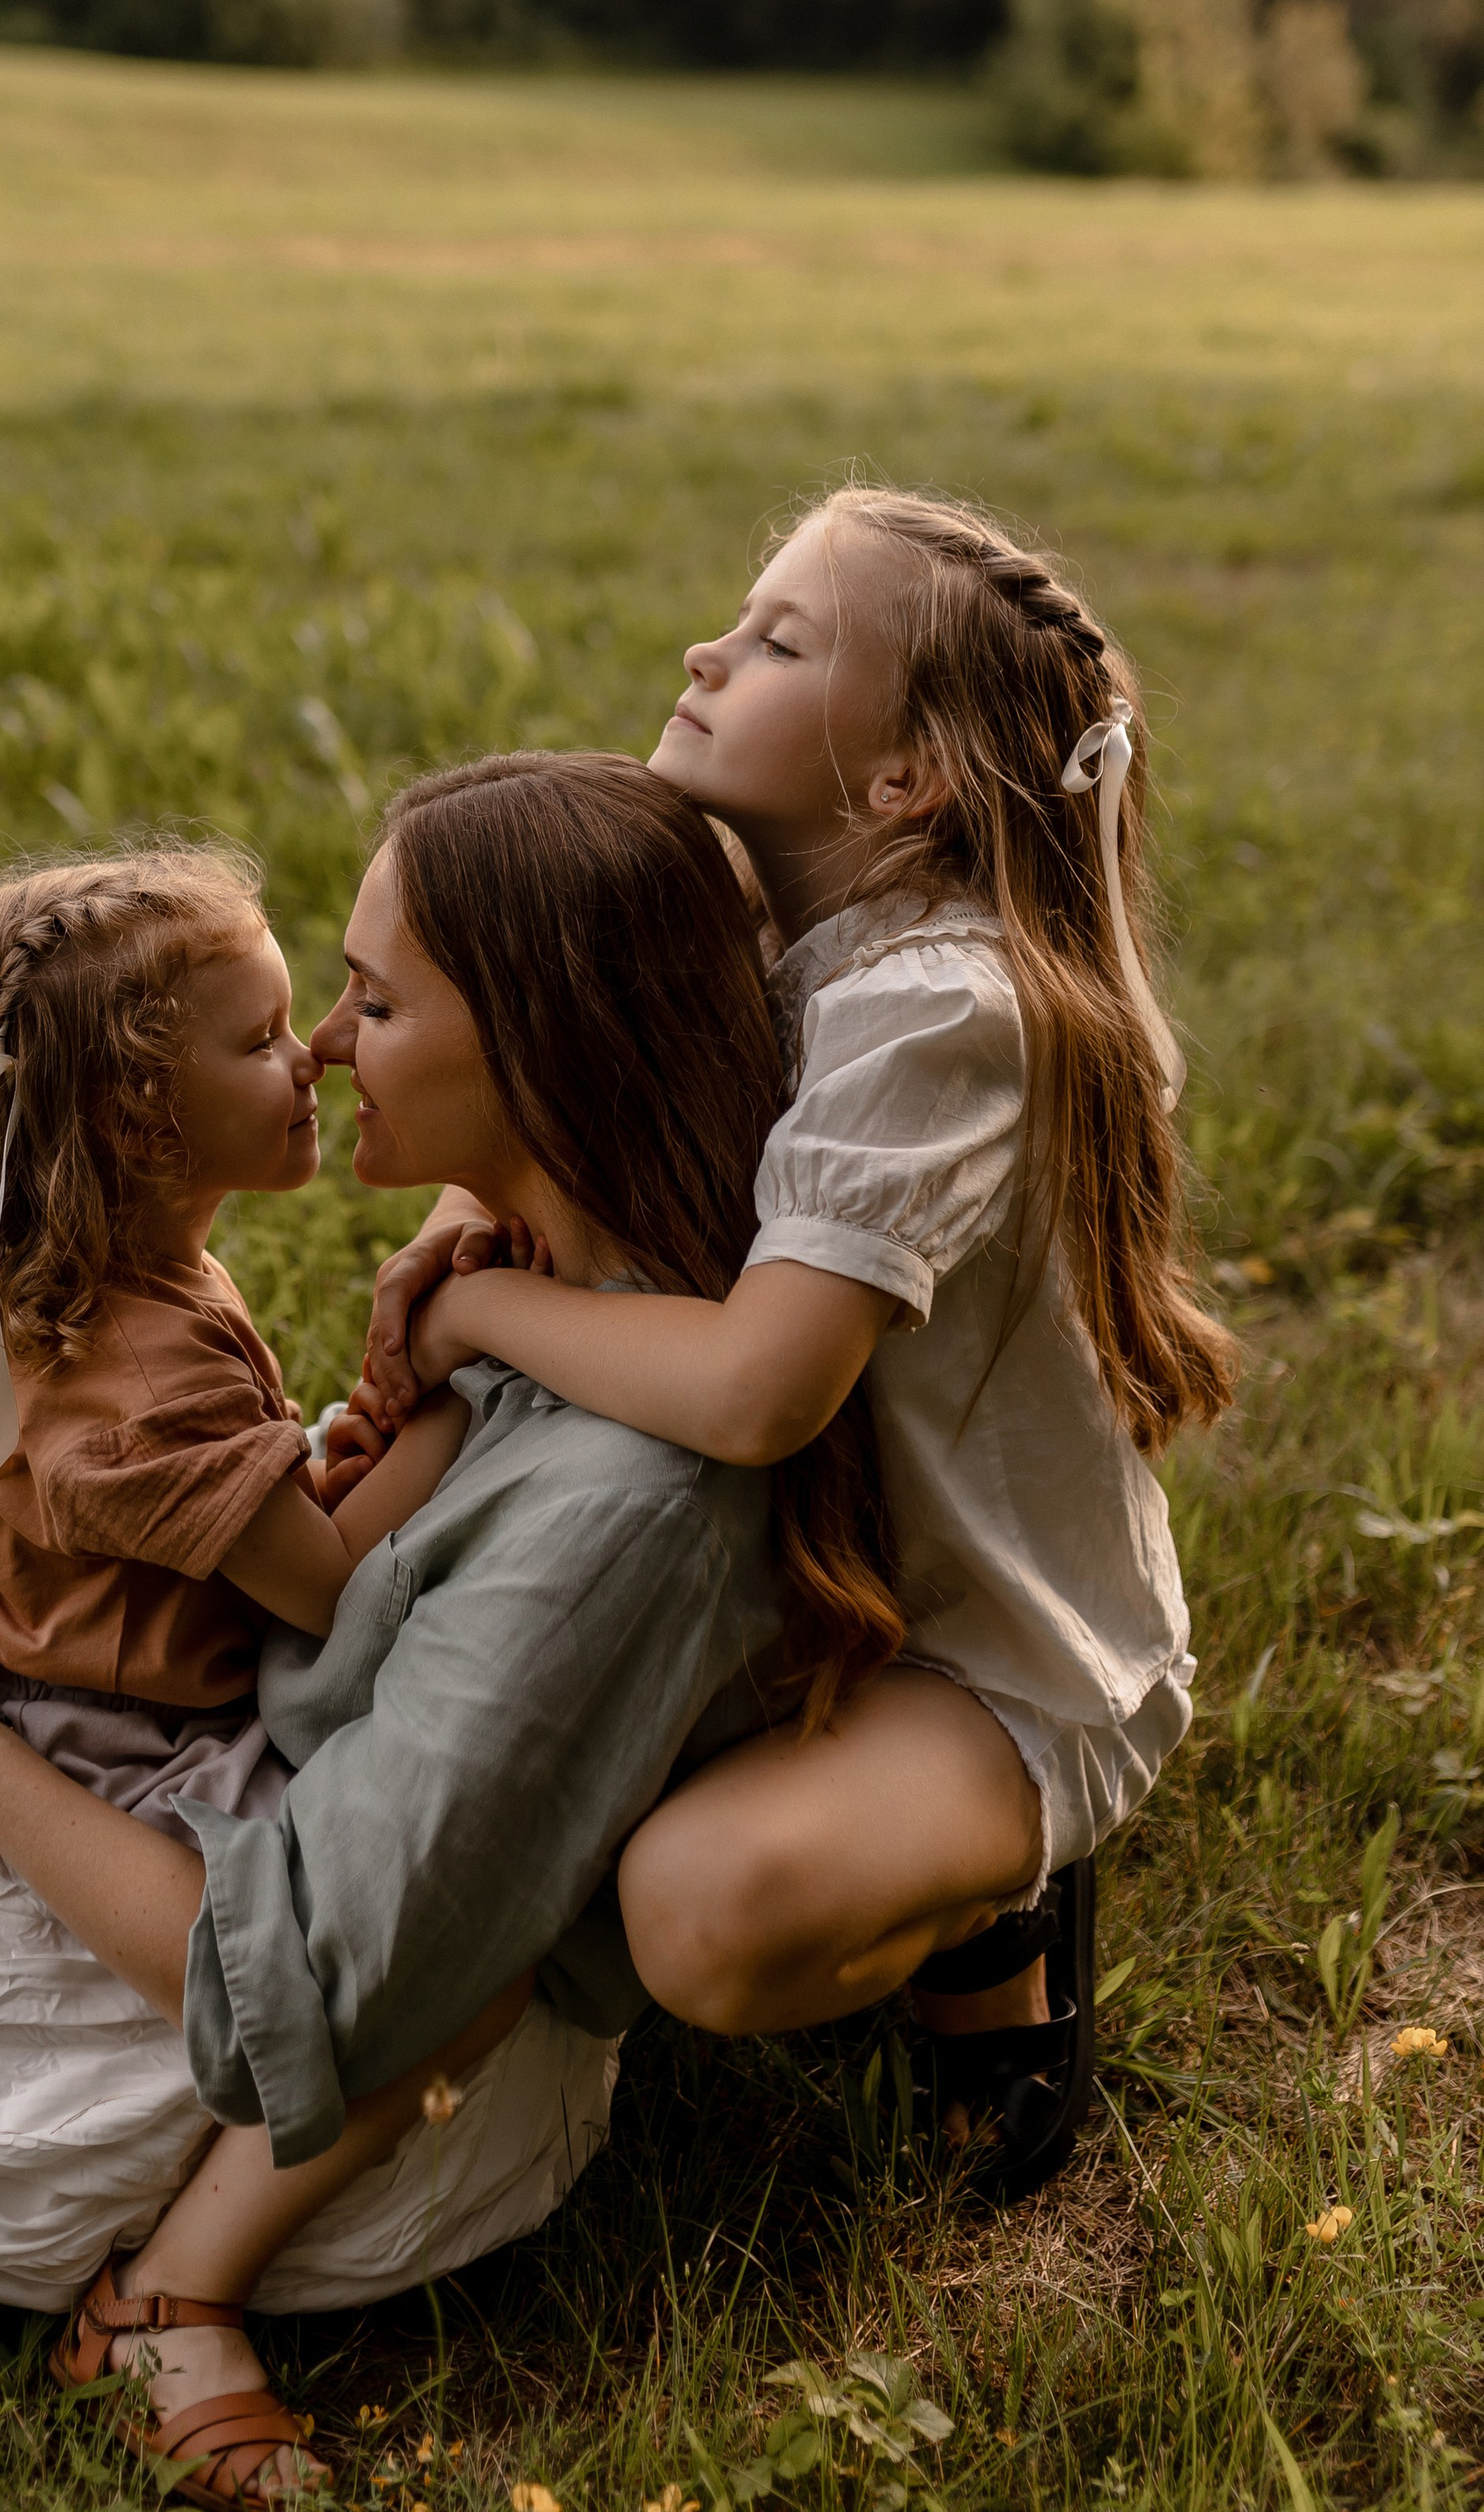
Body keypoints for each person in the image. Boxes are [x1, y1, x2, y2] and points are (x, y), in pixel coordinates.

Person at [0, 750, 897, 2501]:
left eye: (370, 996)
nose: (327, 1044)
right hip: (146, 1732)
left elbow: (289, 1953)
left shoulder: (626, 1504)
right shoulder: (560, 1297)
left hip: (145, 1849)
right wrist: (462, 1306)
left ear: (542, 1045)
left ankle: (169, 2294)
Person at [355, 489, 1238, 2199]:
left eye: (777, 643)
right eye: (735, 615)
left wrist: (477, 1309)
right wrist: (471, 1219)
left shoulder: (939, 1011)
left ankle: (987, 1907)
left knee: (691, 1913)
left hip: (981, 1657)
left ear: (899, 781)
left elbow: (761, 1388)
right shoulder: (733, 925)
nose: (706, 650)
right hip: (782, 1584)